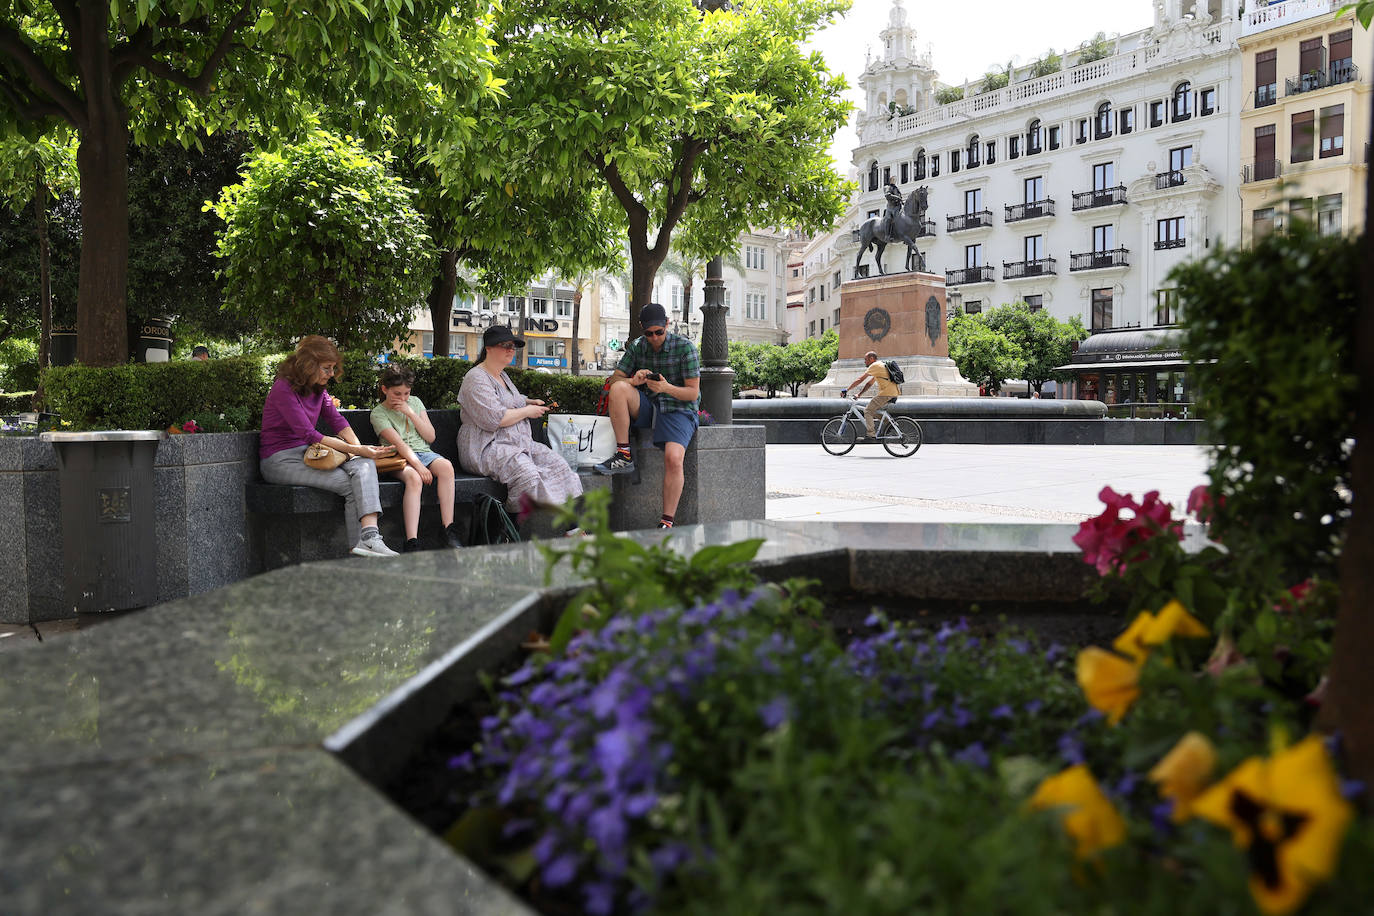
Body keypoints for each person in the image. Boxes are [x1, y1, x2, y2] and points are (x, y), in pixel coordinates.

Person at [259, 335, 400, 557]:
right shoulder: (283, 388)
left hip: (309, 453)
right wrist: (357, 450)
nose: (332, 374)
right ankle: (361, 549)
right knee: (350, 483)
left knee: (363, 465)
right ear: (308, 365)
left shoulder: (318, 389)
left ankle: (370, 537)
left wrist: (361, 451)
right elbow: (308, 433)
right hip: (279, 459)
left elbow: (337, 421)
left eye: (333, 368)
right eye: (327, 368)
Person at [458, 325, 583, 518]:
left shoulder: (503, 375)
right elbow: (494, 418)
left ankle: (574, 530)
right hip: (486, 447)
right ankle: (509, 531)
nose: (511, 349)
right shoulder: (475, 378)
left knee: (559, 465)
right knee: (527, 474)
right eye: (505, 345)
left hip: (518, 444)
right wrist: (527, 411)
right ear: (488, 348)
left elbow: (507, 400)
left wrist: (527, 401)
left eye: (513, 346)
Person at [594, 303, 700, 530]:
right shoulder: (637, 346)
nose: (654, 338)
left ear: (667, 325)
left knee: (673, 458)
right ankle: (624, 454)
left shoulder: (685, 348)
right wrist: (633, 381)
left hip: (678, 408)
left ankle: (666, 523)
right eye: (649, 333)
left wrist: (666, 388)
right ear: (642, 329)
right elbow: (614, 380)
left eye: (659, 332)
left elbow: (692, 393)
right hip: (648, 405)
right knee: (619, 389)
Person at [371, 364, 464, 552]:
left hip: (424, 452)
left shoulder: (415, 403)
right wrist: (419, 467)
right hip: (397, 457)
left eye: (406, 393)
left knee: (446, 466)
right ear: (384, 389)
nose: (403, 398)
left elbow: (430, 437)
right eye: (397, 394)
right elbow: (399, 445)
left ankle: (448, 531)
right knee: (414, 478)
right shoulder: (378, 413)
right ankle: (412, 541)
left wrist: (410, 413)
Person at [843, 350, 900, 438]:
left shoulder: (874, 366)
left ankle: (871, 435)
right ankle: (889, 424)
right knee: (872, 410)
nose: (864, 362)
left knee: (867, 411)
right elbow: (869, 383)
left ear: (872, 358)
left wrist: (847, 389)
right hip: (892, 392)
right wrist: (859, 394)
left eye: (866, 359)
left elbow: (860, 379)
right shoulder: (880, 365)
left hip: (886, 393)